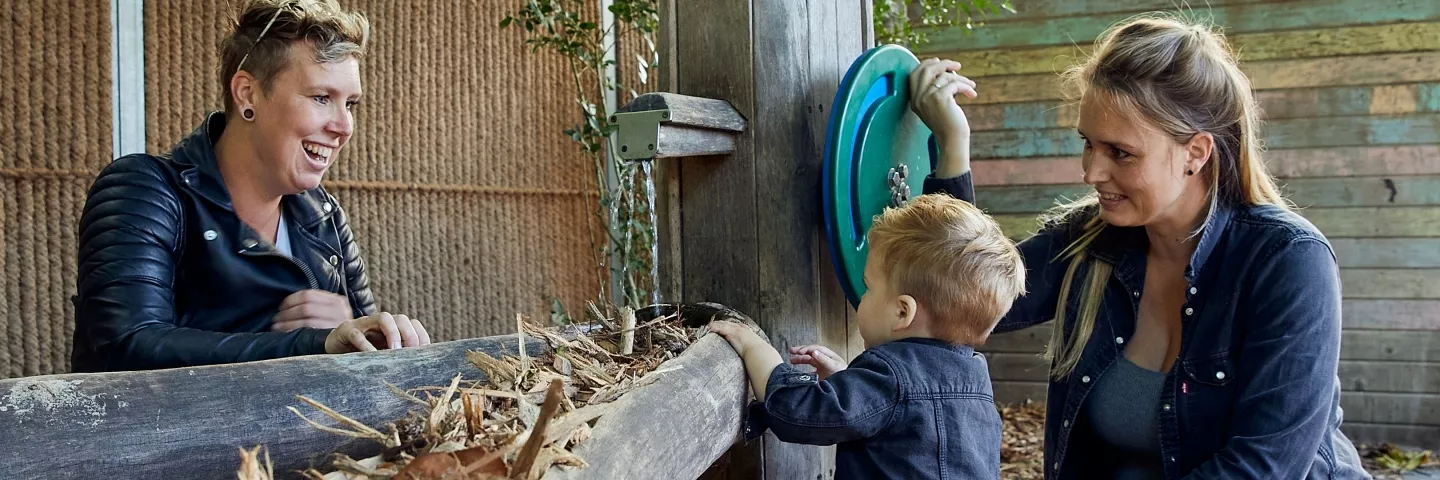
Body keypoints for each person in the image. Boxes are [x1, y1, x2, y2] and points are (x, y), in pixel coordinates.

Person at [910, 15, 1370, 478]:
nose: (1091, 173)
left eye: (1120, 153)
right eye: (1087, 145)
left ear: (1196, 152)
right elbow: (961, 297)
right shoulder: (1092, 238)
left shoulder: (1287, 260)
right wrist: (953, 145)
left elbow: (1264, 466)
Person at [72, 0, 429, 373]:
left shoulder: (324, 216)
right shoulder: (144, 190)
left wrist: (365, 332)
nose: (343, 126)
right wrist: (315, 342)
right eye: (322, 98)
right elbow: (125, 347)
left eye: (350, 103)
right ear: (247, 94)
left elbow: (365, 357)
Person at [709, 194, 1026, 479]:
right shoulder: (975, 381)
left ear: (903, 312)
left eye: (870, 288)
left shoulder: (890, 377)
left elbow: (798, 414)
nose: (862, 298)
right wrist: (848, 379)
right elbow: (910, 424)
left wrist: (754, 347)